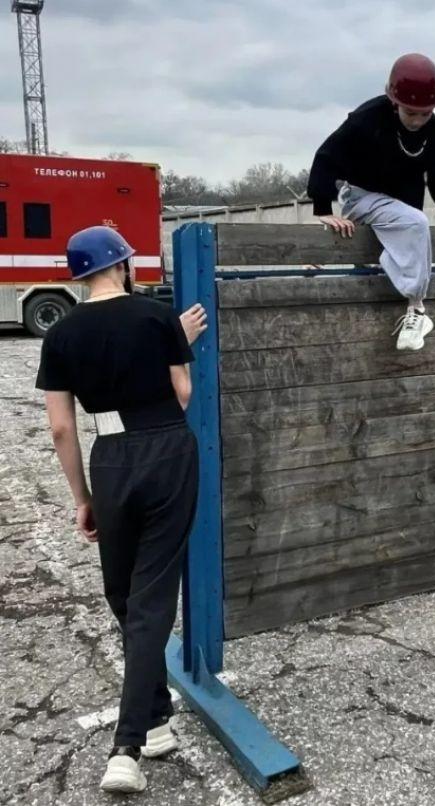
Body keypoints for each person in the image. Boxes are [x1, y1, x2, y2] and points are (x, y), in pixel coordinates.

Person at [35, 226, 206, 793]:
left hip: (109, 457)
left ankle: (147, 728)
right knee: (148, 598)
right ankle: (134, 740)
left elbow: (61, 429)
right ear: (123, 265)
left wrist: (82, 498)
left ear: (79, 275)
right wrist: (175, 342)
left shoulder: (60, 333)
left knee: (123, 592)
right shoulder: (158, 318)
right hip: (167, 450)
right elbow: (182, 394)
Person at [307, 52, 435, 350]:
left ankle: (339, 269)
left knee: (397, 241)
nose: (418, 121)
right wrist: (322, 208)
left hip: (396, 211)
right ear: (395, 103)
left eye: (425, 114)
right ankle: (417, 308)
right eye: (411, 113)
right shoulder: (367, 120)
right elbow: (328, 156)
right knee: (416, 224)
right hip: (362, 198)